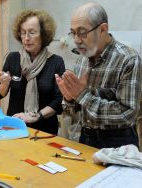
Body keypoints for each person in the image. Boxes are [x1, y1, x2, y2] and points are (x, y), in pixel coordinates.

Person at [55, 2, 142, 148]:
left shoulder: (128, 59)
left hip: (118, 142)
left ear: (102, 29)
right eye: (73, 32)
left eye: (82, 32)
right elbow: (74, 108)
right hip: (86, 136)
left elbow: (127, 114)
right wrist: (69, 99)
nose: (76, 40)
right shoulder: (82, 59)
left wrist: (82, 95)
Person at [0, 10, 65, 135]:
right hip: (14, 126)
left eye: (32, 33)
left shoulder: (56, 62)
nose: (26, 38)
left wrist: (37, 116)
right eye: (23, 33)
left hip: (44, 129)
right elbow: (0, 93)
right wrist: (4, 84)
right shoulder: (13, 58)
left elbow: (59, 99)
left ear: (43, 35)